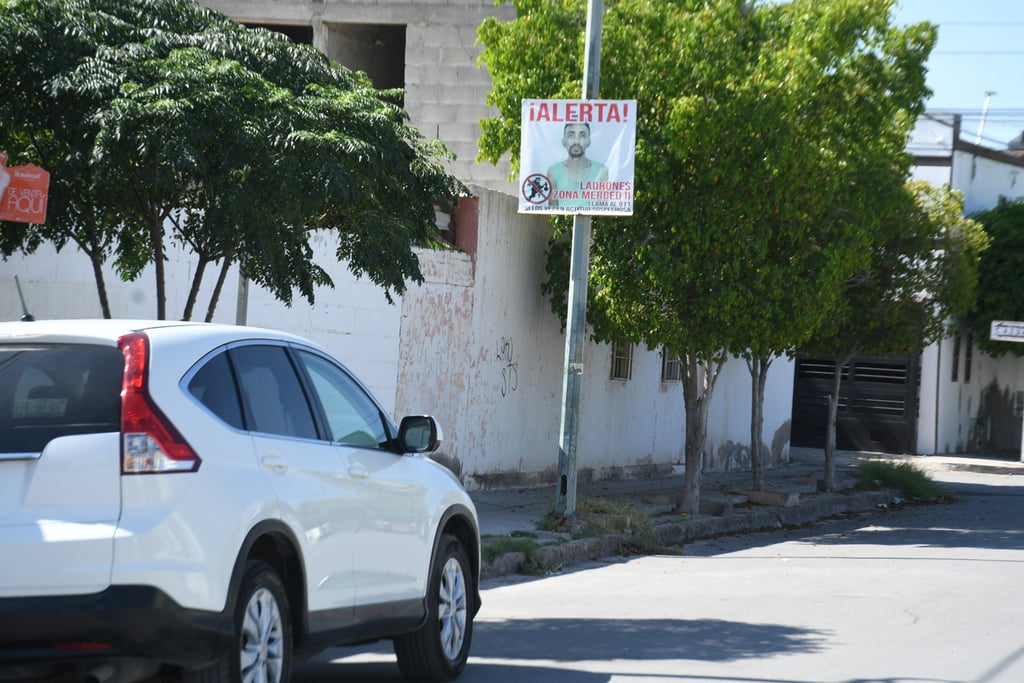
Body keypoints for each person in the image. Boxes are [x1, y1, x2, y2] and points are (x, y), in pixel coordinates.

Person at [546, 122, 608, 208]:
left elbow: (603, 208)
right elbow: (553, 209)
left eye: (582, 136)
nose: (576, 141)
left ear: (588, 141)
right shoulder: (553, 171)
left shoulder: (601, 171)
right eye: (571, 135)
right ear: (564, 141)